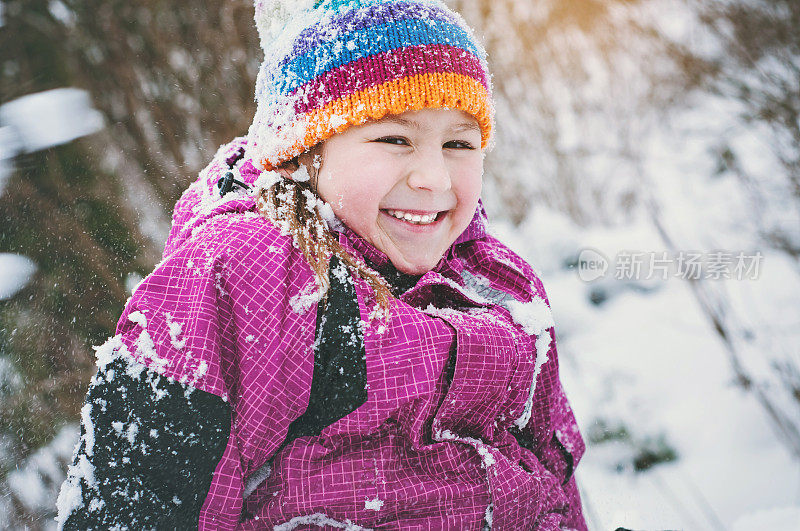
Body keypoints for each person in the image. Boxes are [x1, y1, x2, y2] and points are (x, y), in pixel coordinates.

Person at [56, 0, 587, 529]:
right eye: (394, 139)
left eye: (458, 143)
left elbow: (555, 472)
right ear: (303, 154)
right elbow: (137, 503)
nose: (434, 177)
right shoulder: (247, 277)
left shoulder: (498, 281)